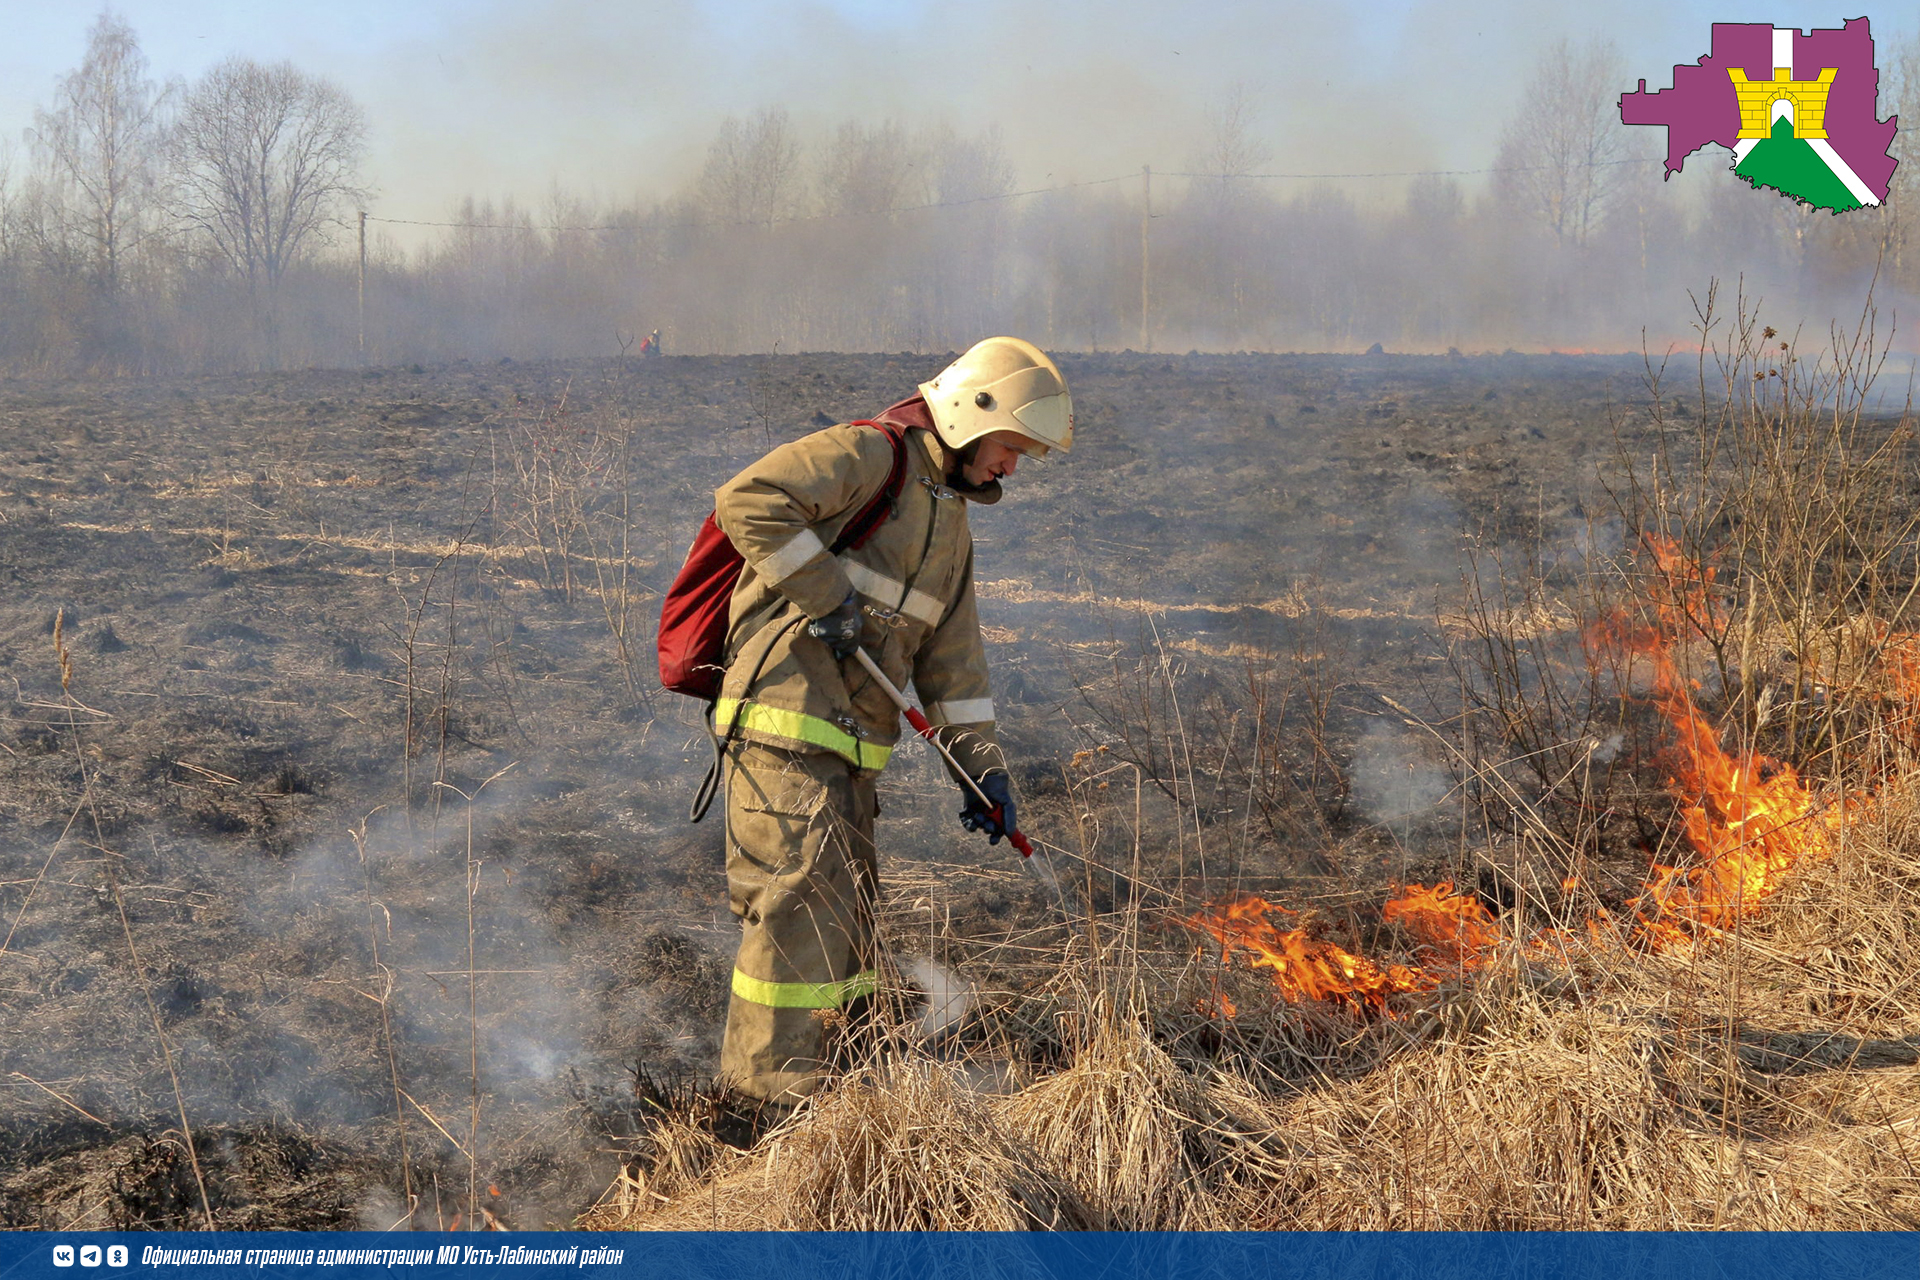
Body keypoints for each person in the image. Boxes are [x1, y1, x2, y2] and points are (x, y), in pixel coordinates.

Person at [708, 336, 1073, 1108]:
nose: (1012, 468)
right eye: (1011, 447)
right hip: (783, 723)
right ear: (971, 416)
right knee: (797, 911)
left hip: (848, 750)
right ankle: (760, 1108)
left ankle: (831, 1090)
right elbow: (748, 498)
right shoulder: (869, 457)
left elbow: (954, 665)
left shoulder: (949, 522)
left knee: (847, 924)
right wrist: (826, 596)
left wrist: (983, 770)